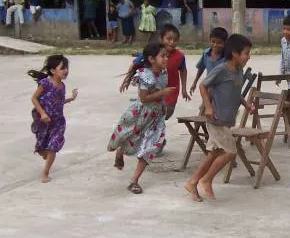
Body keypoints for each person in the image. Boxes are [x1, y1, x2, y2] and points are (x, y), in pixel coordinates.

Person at [184, 34, 254, 202]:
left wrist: (246, 104)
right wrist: (208, 107)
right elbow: (203, 85)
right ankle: (206, 180)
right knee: (230, 152)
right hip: (216, 120)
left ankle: (192, 182)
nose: (248, 56)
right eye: (246, 53)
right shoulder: (221, 69)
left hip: (226, 120)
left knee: (214, 153)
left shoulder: (238, 71)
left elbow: (235, 92)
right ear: (235, 54)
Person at [108, 43, 174, 194]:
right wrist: (162, 93)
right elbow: (144, 98)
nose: (166, 58)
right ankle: (120, 151)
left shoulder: (163, 72)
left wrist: (163, 104)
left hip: (157, 117)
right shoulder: (145, 75)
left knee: (152, 146)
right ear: (151, 59)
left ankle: (134, 181)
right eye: (162, 56)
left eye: (166, 56)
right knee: (132, 138)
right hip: (142, 114)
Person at [120, 23, 190, 121]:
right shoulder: (152, 52)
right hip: (151, 91)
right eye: (168, 39)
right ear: (161, 39)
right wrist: (127, 80)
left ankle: (155, 129)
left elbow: (183, 70)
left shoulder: (180, 56)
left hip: (170, 92)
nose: (172, 42)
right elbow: (135, 64)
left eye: (175, 40)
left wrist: (184, 89)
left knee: (165, 114)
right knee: (151, 116)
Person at [29, 55, 78, 183]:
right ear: (52, 71)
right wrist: (42, 113)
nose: (66, 70)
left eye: (66, 68)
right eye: (62, 68)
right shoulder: (45, 83)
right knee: (42, 148)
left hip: (58, 122)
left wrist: (71, 98)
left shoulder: (62, 86)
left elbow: (60, 102)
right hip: (43, 122)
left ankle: (45, 173)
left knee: (53, 147)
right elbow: (34, 98)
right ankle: (45, 153)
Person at [189, 27, 228, 96]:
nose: (215, 45)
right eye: (213, 42)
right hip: (208, 88)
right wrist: (195, 82)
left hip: (223, 90)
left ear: (225, 42)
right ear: (210, 40)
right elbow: (201, 68)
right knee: (206, 105)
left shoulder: (227, 57)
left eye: (219, 43)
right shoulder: (206, 53)